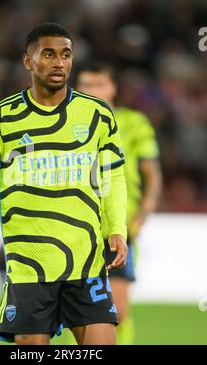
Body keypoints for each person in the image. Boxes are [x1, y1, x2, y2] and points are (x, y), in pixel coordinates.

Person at [0, 23, 128, 345]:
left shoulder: (97, 114)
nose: (59, 63)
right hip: (30, 268)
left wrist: (117, 228)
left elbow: (112, 174)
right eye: (48, 54)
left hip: (85, 261)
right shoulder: (1, 119)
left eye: (66, 54)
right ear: (28, 61)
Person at [76, 63, 162, 344]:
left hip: (119, 229)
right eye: (87, 85)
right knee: (78, 311)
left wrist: (143, 215)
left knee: (118, 310)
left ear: (113, 88)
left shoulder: (134, 123)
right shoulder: (66, 124)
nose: (93, 91)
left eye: (99, 84)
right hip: (77, 229)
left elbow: (153, 175)